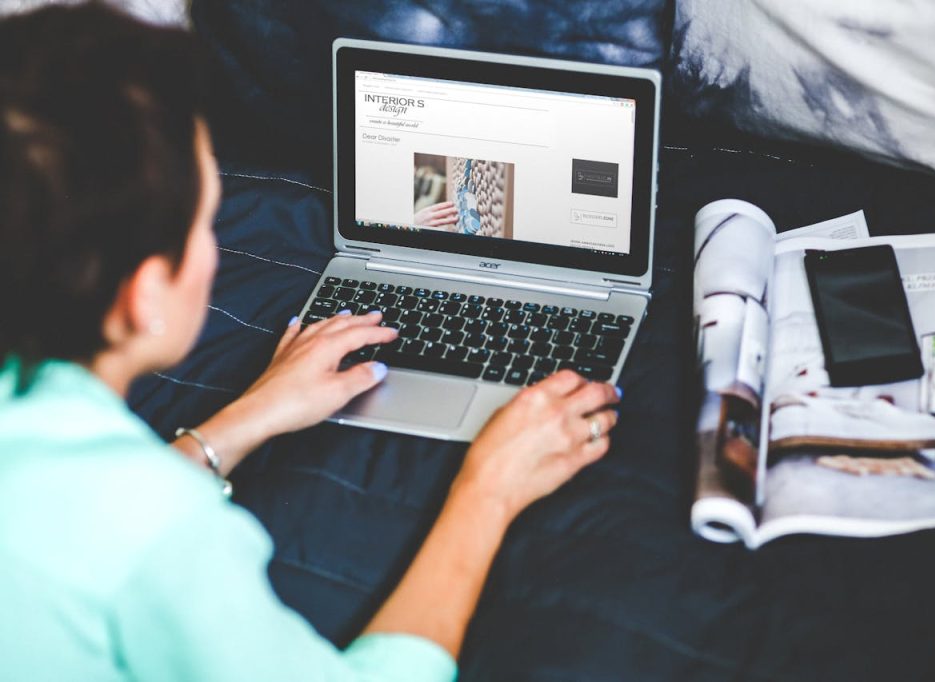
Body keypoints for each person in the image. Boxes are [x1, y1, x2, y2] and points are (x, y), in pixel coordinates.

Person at [0, 3, 620, 680]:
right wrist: (488, 489)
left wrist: (245, 419)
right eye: (207, 222)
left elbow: (72, 515)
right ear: (144, 295)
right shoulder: (165, 534)